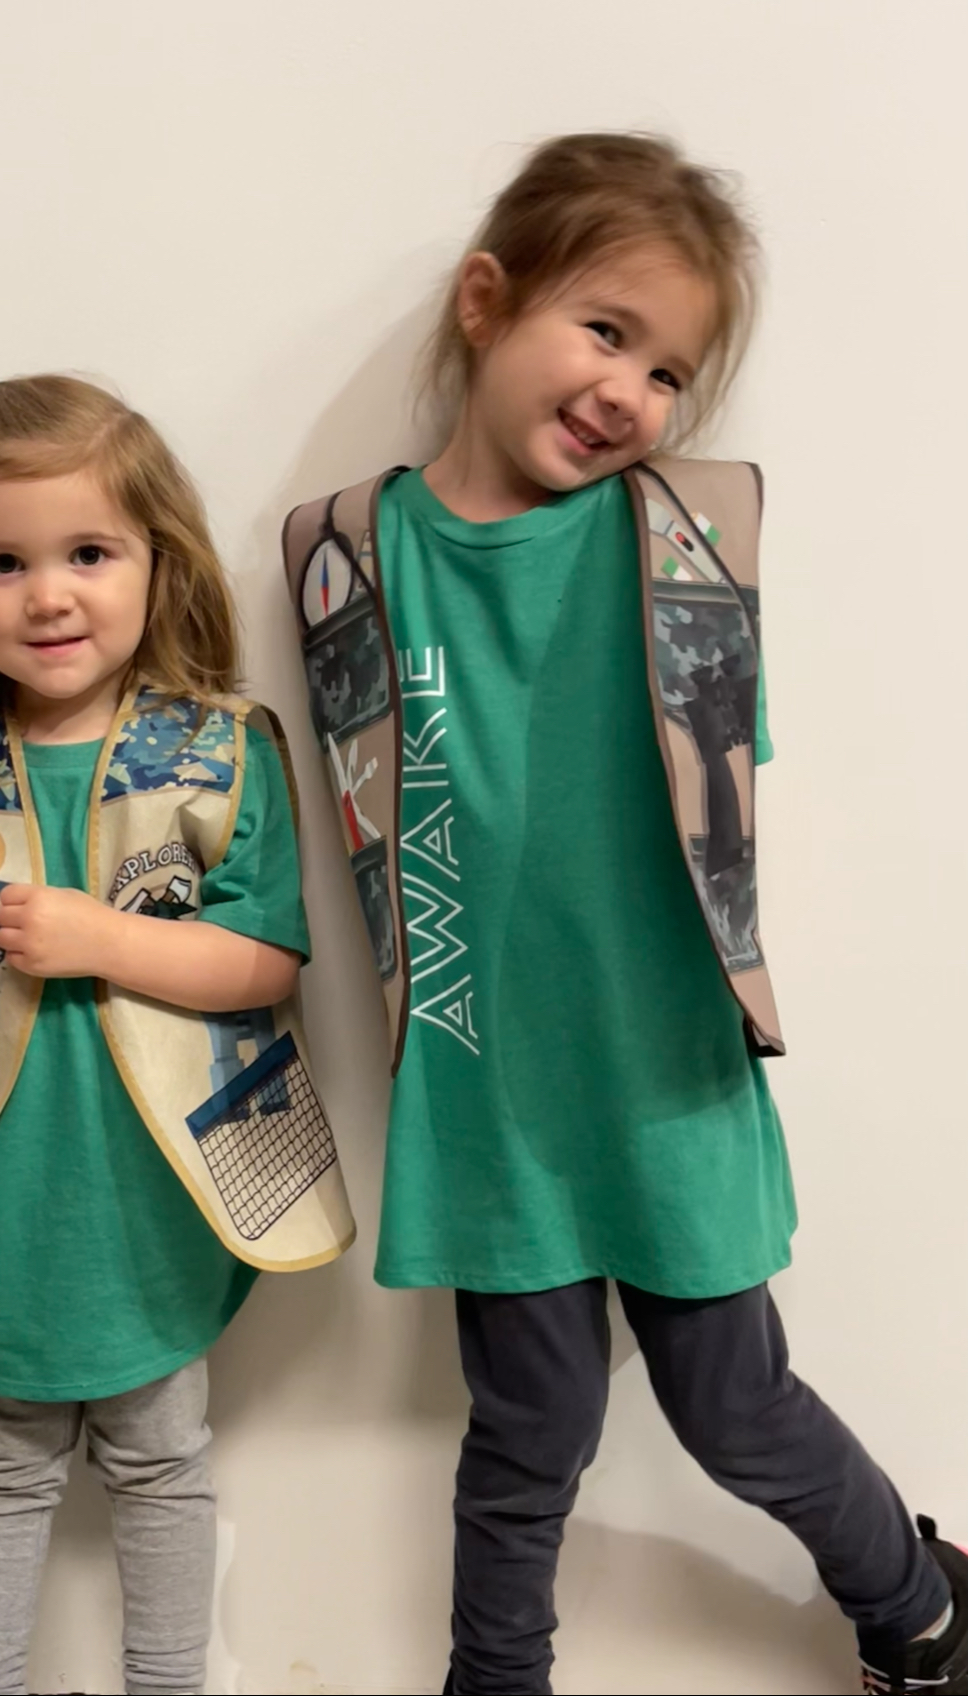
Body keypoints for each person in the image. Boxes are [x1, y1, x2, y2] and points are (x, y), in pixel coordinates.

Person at [280, 133, 966, 1696]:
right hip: (491, 1096)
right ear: (485, 301)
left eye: (669, 373)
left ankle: (919, 1607)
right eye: (606, 330)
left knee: (737, 1409)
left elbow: (719, 787)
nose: (631, 394)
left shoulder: (682, 542)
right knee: (527, 1436)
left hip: (665, 1073)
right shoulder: (346, 557)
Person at [0, 373, 352, 1696]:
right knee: (1, 1472)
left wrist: (100, 939)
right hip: (3, 1206)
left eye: (88, 553)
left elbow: (265, 962)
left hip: (157, 1198)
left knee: (162, 1465)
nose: (47, 595)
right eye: (3, 562)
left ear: (156, 562)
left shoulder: (216, 753)